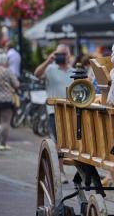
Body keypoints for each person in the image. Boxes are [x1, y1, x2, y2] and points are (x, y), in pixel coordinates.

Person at [34, 44, 73, 184]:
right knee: (59, 143)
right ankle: (61, 172)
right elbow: (37, 74)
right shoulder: (50, 69)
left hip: (71, 111)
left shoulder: (74, 71)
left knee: (72, 143)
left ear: (69, 55)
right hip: (54, 111)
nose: (61, 56)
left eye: (64, 53)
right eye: (58, 54)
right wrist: (48, 61)